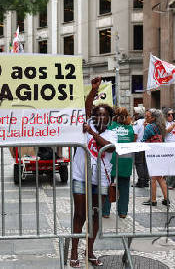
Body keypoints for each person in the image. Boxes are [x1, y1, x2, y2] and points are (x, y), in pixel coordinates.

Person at [70, 77, 117, 267]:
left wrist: (92, 133)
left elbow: (110, 147)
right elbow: (87, 106)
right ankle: (74, 251)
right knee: (80, 213)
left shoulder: (110, 133)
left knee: (96, 215)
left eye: (105, 116)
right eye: (98, 115)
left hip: (101, 180)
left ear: (110, 118)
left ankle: (89, 252)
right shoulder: (86, 124)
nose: (101, 118)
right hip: (80, 176)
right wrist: (93, 89)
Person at [103, 107, 134, 219]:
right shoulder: (130, 129)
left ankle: (105, 211)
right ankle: (123, 212)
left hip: (111, 161)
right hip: (126, 161)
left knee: (107, 186)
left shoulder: (110, 128)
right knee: (124, 188)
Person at [142, 109, 170, 206]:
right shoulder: (161, 126)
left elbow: (143, 139)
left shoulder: (149, 127)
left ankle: (153, 200)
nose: (146, 118)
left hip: (152, 154)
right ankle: (166, 198)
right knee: (160, 177)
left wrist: (144, 128)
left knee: (153, 177)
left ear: (153, 118)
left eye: (148, 116)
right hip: (161, 153)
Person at [132, 105, 149, 187]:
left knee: (139, 164)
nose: (134, 115)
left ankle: (141, 181)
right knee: (145, 163)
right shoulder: (147, 121)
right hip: (146, 145)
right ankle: (146, 180)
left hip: (138, 146)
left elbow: (135, 136)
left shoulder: (137, 123)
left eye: (135, 114)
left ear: (138, 114)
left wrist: (133, 145)